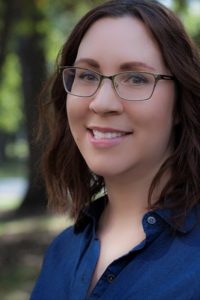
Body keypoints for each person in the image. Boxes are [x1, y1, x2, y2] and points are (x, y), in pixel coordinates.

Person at [30, 0, 200, 299]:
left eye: (136, 78)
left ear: (180, 102)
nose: (101, 103)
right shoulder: (60, 252)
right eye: (87, 75)